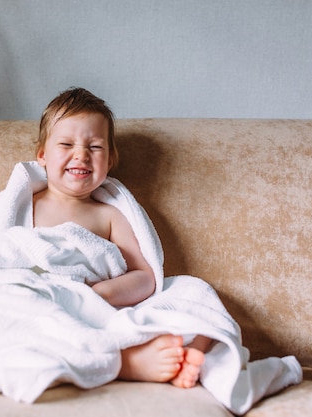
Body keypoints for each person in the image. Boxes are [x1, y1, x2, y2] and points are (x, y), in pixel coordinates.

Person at [32, 87, 211, 389]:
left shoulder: (109, 215)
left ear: (111, 159)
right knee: (24, 325)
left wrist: (99, 294)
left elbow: (145, 276)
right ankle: (127, 364)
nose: (81, 154)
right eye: (66, 144)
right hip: (45, 308)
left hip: (101, 308)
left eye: (95, 147)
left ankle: (192, 350)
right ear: (42, 155)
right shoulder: (26, 206)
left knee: (197, 294)